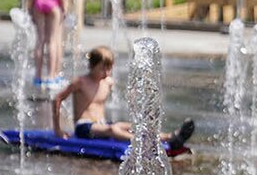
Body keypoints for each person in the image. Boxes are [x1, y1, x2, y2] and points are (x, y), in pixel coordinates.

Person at [52, 46, 194, 150]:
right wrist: (57, 130)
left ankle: (171, 137)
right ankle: (145, 144)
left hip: (102, 124)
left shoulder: (107, 82)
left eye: (109, 69)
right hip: (83, 127)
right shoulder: (80, 82)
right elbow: (57, 99)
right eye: (102, 68)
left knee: (132, 126)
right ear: (91, 65)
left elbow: (129, 95)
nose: (107, 73)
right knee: (114, 129)